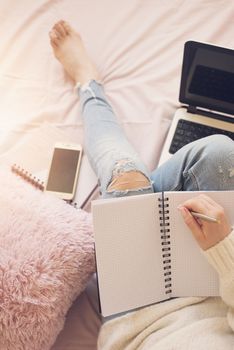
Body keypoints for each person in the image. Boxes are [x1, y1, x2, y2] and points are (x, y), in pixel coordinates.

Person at [49, 21, 234, 350]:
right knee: (221, 152)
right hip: (218, 295)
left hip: (138, 319)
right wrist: (223, 252)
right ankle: (152, 196)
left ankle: (88, 84)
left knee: (127, 175)